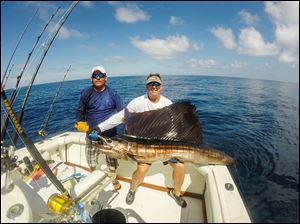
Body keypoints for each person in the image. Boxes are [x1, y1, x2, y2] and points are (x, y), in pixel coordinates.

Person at [89, 73, 187, 208]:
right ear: (146, 86)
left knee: (180, 166)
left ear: (161, 86)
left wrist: (174, 152)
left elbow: (174, 127)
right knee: (141, 170)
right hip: (145, 146)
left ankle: (176, 193)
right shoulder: (137, 102)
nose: (154, 86)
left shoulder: (168, 104)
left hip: (164, 145)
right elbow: (120, 117)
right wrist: (99, 128)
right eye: (151, 84)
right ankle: (132, 189)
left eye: (157, 84)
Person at [75, 65, 124, 191]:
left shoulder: (113, 93)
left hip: (110, 136)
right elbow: (80, 111)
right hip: (92, 135)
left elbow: (122, 112)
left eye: (100, 75)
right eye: (95, 76)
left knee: (112, 162)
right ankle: (93, 177)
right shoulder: (86, 93)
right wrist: (80, 123)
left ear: (106, 78)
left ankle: (114, 179)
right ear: (91, 79)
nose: (98, 77)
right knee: (91, 160)